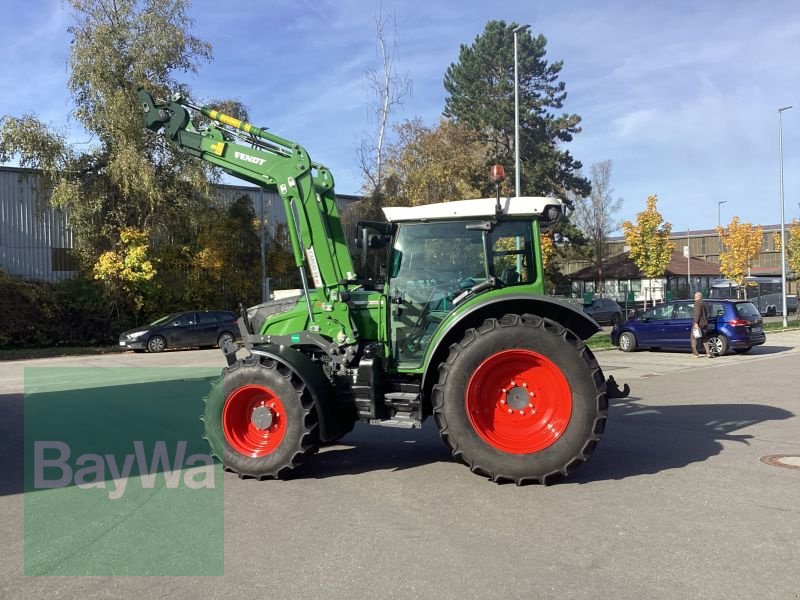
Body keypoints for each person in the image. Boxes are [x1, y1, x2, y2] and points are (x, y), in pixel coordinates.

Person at [691, 291, 712, 358]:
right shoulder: (704, 303)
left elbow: (697, 313)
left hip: (699, 323)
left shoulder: (697, 303)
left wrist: (696, 323)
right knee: (704, 338)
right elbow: (707, 314)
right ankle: (708, 353)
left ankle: (695, 353)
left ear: (696, 297)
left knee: (694, 338)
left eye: (695, 296)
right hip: (705, 323)